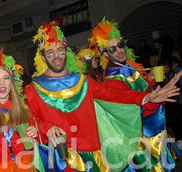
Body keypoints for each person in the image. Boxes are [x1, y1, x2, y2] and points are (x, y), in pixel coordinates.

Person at [24, 22, 182, 171]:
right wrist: (47, 127)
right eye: (50, 52)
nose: (56, 56)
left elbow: (113, 94)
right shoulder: (33, 89)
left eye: (60, 50)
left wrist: (147, 97)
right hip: (60, 160)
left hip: (93, 158)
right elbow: (31, 120)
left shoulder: (83, 80)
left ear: (66, 50)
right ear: (43, 57)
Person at [87, 19, 182, 171]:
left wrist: (149, 82)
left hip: (150, 134)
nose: (119, 51)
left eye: (120, 45)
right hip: (141, 140)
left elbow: (136, 89)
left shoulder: (125, 66)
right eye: (112, 49)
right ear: (104, 54)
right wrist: (147, 98)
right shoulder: (114, 74)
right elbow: (122, 96)